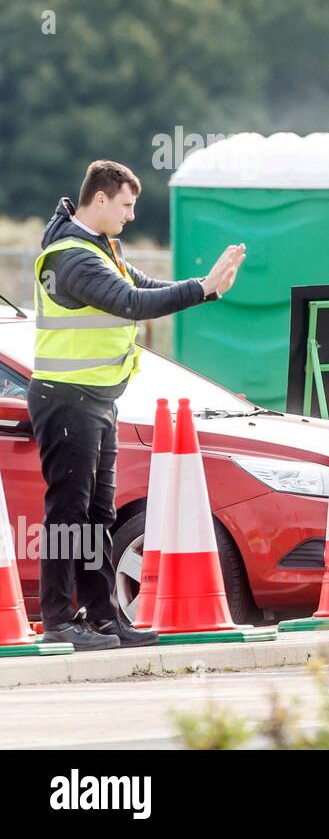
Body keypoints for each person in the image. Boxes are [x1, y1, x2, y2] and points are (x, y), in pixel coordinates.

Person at [30, 160, 246, 650]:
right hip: (67, 398)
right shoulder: (73, 258)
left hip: (97, 398)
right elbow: (130, 303)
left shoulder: (101, 247)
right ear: (100, 199)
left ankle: (103, 617)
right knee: (68, 514)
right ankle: (60, 620)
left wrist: (204, 288)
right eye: (125, 205)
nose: (130, 216)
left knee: (95, 514)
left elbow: (141, 289)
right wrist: (203, 287)